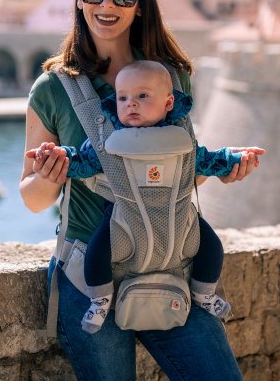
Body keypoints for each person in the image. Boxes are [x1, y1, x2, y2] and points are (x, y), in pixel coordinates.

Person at [20, 0, 264, 381]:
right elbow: (33, 200)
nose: (107, 4)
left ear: (140, 4)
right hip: (88, 277)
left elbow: (176, 176)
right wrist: (47, 177)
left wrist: (220, 170)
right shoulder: (53, 88)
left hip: (170, 267)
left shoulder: (171, 76)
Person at [27, 60, 255, 334]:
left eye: (142, 96)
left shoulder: (181, 138)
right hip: (123, 219)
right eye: (122, 98)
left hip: (178, 219)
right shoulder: (108, 139)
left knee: (211, 246)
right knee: (97, 251)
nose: (131, 104)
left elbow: (206, 161)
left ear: (169, 103)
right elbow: (82, 161)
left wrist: (234, 160)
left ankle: (204, 293)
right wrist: (57, 157)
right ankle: (100, 299)